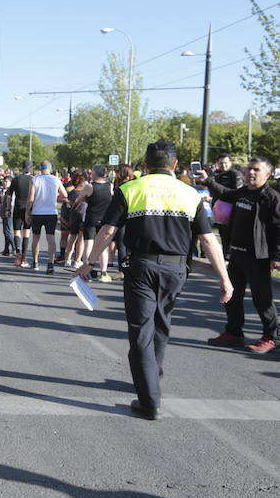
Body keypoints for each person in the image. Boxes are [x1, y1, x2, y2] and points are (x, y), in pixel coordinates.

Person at [76, 141, 232, 420]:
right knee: (161, 323)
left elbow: (108, 231)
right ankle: (153, 376)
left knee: (141, 331)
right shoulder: (190, 193)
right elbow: (208, 239)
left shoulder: (130, 189)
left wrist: (89, 262)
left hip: (141, 266)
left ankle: (149, 400)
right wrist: (224, 278)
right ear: (174, 165)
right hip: (176, 270)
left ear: (145, 166)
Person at [197, 158, 280, 353]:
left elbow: (278, 228)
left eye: (256, 170)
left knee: (262, 299)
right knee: (232, 296)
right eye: (249, 169)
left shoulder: (271, 197)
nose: (251, 172)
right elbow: (225, 193)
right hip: (237, 254)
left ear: (267, 175)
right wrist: (208, 180)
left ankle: (271, 337)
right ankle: (234, 333)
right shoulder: (242, 192)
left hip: (258, 257)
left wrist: (277, 256)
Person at [26, 161, 68, 274]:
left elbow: (31, 198)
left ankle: (35, 263)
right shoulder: (56, 180)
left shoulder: (35, 179)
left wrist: (27, 212)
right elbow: (65, 195)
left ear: (40, 168)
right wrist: (55, 198)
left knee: (36, 238)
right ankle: (50, 264)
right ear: (50, 168)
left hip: (37, 212)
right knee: (51, 238)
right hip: (51, 212)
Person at [77, 163, 114, 281]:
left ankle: (87, 271)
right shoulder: (110, 185)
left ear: (94, 173)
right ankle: (104, 272)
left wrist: (86, 199)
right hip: (105, 219)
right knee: (103, 246)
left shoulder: (90, 186)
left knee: (89, 244)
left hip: (92, 218)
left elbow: (79, 199)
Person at [211, 154, 245, 260]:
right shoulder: (218, 175)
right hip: (220, 211)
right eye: (221, 163)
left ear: (230, 163)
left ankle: (231, 258)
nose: (223, 165)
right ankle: (226, 256)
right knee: (223, 235)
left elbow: (235, 194)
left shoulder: (235, 175)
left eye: (226, 162)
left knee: (230, 236)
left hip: (231, 211)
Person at [7, 160, 34, 266]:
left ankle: (17, 254)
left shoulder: (16, 179)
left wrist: (8, 208)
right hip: (29, 208)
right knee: (26, 232)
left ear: (22, 168)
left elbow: (9, 195)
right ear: (31, 168)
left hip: (18, 206)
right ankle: (24, 257)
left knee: (17, 231)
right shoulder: (33, 180)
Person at [0, 176, 16, 256]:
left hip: (9, 213)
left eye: (6, 181)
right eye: (4, 181)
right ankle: (6, 250)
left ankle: (15, 248)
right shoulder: (6, 190)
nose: (5, 183)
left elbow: (11, 202)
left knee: (7, 231)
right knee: (5, 231)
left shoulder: (11, 191)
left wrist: (9, 210)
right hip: (4, 213)